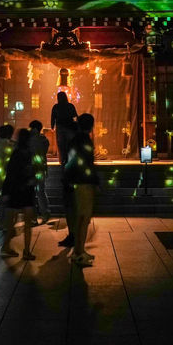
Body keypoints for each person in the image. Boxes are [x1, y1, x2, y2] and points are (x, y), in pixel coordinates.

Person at [63, 113, 99, 267]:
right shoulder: (84, 140)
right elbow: (86, 163)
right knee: (83, 219)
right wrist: (94, 180)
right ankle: (78, 253)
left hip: (75, 182)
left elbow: (70, 160)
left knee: (80, 219)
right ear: (91, 125)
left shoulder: (74, 140)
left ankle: (79, 250)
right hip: (83, 182)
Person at [1, 128, 36, 260]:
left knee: (11, 222)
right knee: (27, 223)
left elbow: (9, 174)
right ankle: (26, 251)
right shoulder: (29, 154)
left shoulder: (16, 153)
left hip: (14, 190)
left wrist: (5, 192)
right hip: (26, 190)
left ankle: (6, 246)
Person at [0, 123, 15, 230]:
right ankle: (9, 223)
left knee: (1, 202)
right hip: (12, 178)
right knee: (12, 202)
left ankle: (2, 222)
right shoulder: (13, 145)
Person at [29, 119, 50, 224]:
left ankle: (33, 217)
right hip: (41, 168)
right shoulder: (44, 140)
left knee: (31, 193)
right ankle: (45, 214)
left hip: (30, 169)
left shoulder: (29, 140)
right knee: (41, 192)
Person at [51, 90, 78, 165]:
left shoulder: (56, 107)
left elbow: (53, 118)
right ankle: (70, 159)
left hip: (60, 128)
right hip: (70, 127)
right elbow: (75, 116)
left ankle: (62, 160)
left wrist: (52, 126)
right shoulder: (70, 106)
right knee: (70, 144)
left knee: (61, 145)